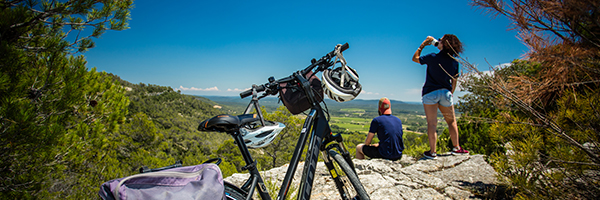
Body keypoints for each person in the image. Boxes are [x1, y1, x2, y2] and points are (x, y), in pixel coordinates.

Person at [412, 34, 469, 159]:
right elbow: (454, 81)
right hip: (446, 92)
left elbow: (415, 58)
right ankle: (456, 147)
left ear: (444, 44)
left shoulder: (432, 57)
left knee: (432, 124)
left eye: (441, 40)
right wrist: (450, 92)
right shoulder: (454, 62)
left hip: (430, 92)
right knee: (452, 121)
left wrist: (423, 44)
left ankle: (432, 152)